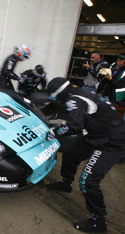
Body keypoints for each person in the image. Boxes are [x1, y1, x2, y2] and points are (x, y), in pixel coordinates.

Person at [46, 77, 125, 233]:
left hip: (111, 143)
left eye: (53, 94)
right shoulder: (80, 91)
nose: (52, 97)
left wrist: (55, 132)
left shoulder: (74, 99)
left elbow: (74, 126)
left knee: (88, 181)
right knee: (70, 154)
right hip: (97, 135)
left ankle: (99, 222)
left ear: (59, 92)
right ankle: (66, 183)